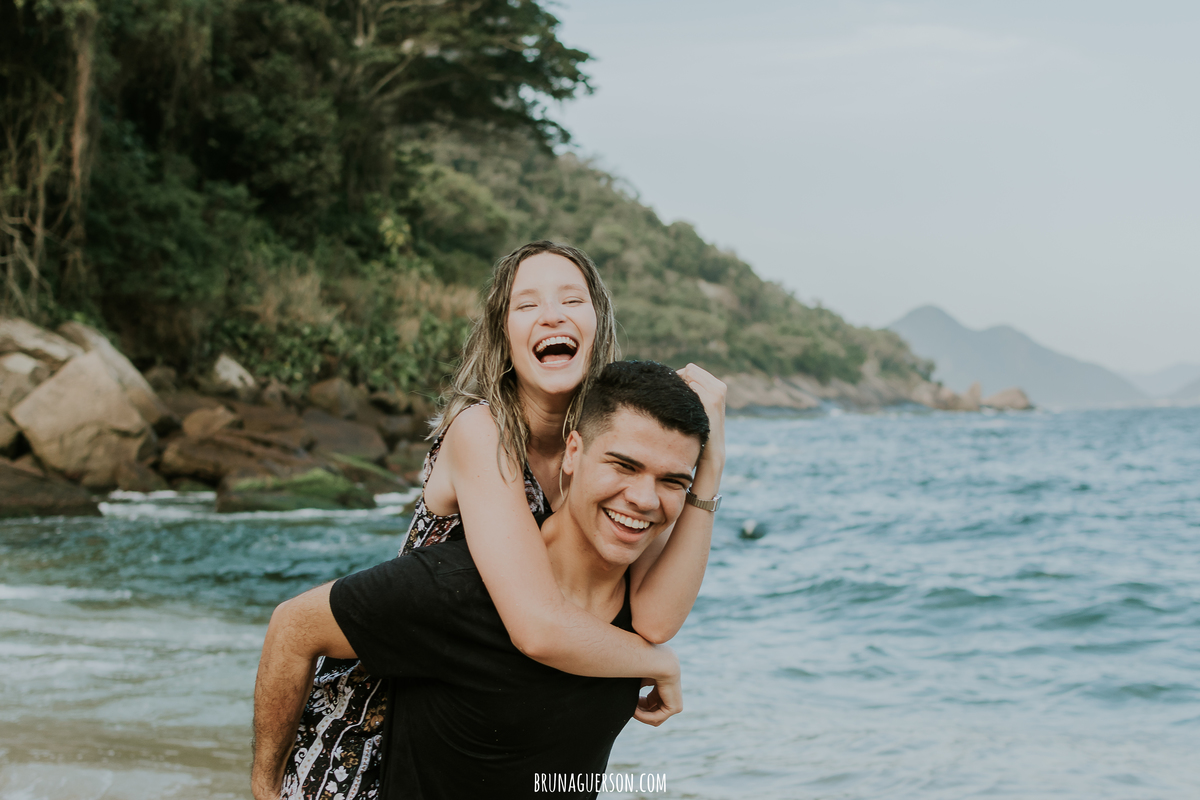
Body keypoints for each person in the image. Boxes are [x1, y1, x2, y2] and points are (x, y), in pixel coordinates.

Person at [267, 242, 726, 798]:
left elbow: (652, 616)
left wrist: (709, 464)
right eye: (526, 305)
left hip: (489, 709)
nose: (551, 314)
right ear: (504, 334)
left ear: (597, 322)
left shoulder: (613, 458)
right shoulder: (481, 430)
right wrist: (660, 665)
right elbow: (537, 624)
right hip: (385, 705)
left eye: (571, 299)